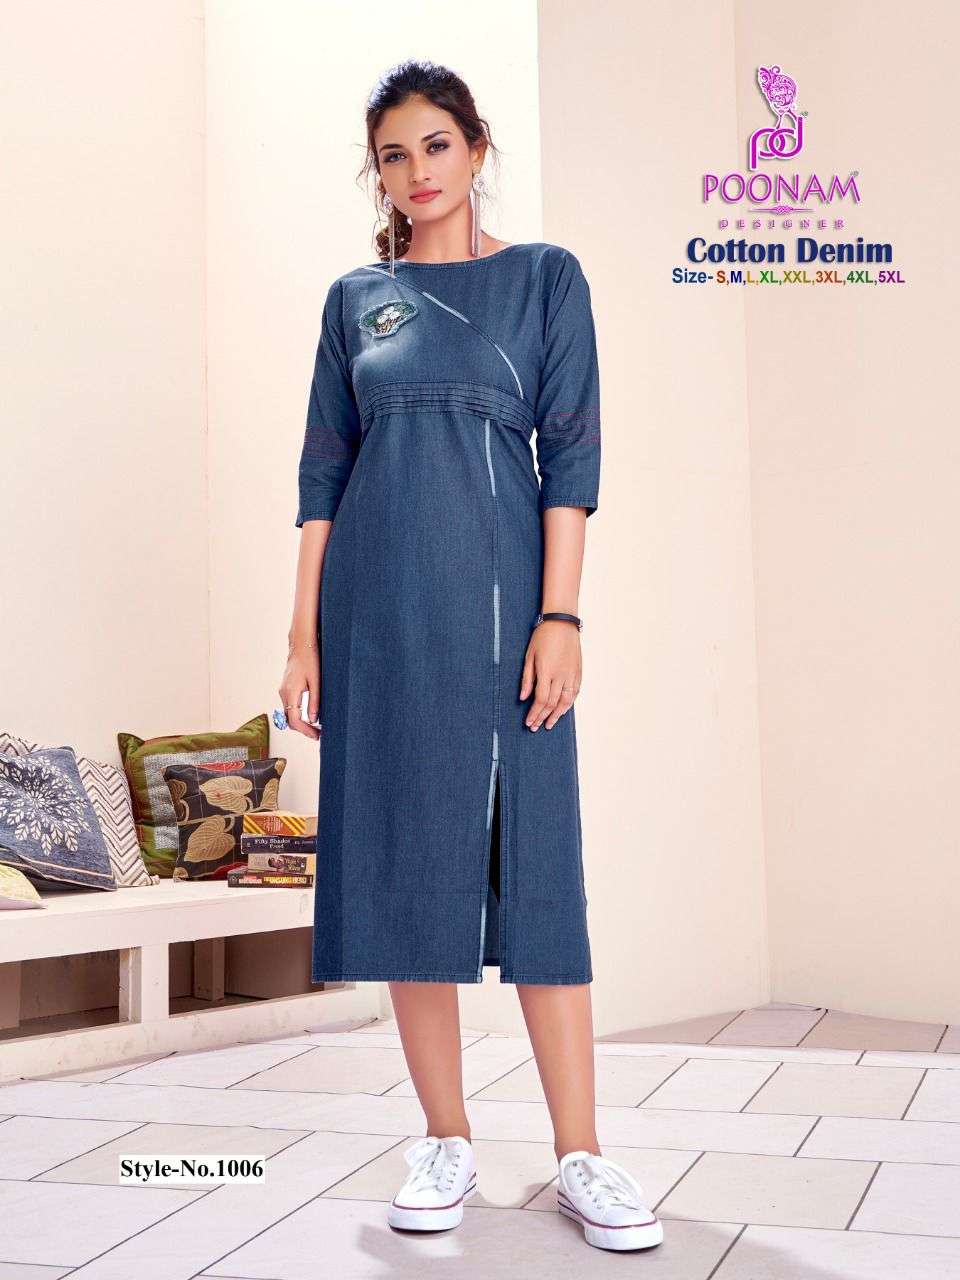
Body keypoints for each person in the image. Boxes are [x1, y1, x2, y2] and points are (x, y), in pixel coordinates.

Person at [279, 59, 662, 1253]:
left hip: (506, 616)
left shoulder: (545, 279)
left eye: (436, 145)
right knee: (405, 864)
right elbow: (323, 474)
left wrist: (563, 617)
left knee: (537, 860)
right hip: (378, 618)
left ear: (477, 148)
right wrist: (302, 635)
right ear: (378, 173)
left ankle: (581, 1152)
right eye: (395, 154)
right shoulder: (358, 300)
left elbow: (572, 458)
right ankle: (444, 1136)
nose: (418, 171)